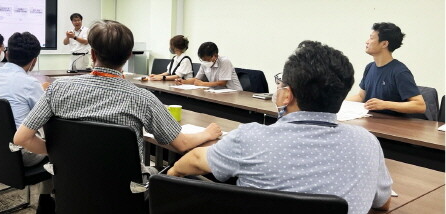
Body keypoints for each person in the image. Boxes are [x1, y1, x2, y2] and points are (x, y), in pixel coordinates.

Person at [168, 41, 393, 214]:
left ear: (287, 95)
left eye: (280, 83)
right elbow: (382, 203)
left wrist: (171, 174)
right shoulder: (368, 143)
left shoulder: (250, 138)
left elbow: (196, 160)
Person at [14, 20, 222, 175]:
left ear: (93, 55)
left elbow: (21, 138)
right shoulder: (142, 98)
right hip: (126, 195)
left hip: (71, 186)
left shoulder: (57, 89)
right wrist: (207, 132)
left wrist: (61, 154)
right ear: (128, 56)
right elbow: (181, 144)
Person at [0, 32, 49, 167]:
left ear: (7, 54)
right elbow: (48, 120)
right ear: (34, 61)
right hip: (18, 154)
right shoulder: (30, 83)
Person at [347, 22, 425, 115]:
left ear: (384, 44)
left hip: (392, 126)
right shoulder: (369, 67)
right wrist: (337, 103)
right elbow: (361, 96)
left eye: (371, 38)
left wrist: (385, 104)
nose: (367, 41)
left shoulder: (400, 71)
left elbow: (420, 106)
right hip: (371, 120)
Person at [176, 42, 242, 91]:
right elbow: (197, 80)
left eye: (207, 60)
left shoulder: (224, 61)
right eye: (203, 60)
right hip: (217, 92)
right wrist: (183, 82)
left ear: (215, 56)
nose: (205, 62)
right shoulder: (204, 63)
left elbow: (222, 83)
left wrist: (202, 84)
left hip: (234, 93)